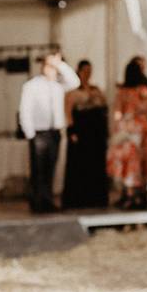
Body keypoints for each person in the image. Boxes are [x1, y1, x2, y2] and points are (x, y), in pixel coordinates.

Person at [19, 52, 79, 213]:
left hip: (55, 132)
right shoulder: (32, 85)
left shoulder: (58, 85)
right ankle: (37, 201)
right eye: (49, 67)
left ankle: (47, 201)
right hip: (38, 132)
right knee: (38, 169)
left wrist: (60, 64)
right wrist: (30, 133)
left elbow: (75, 81)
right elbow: (25, 109)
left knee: (50, 168)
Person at [106, 57, 147, 209]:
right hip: (143, 128)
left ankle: (128, 194)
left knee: (127, 161)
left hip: (126, 129)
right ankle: (141, 195)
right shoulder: (145, 92)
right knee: (143, 160)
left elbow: (117, 114)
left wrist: (117, 130)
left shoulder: (122, 92)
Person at [62, 59, 109, 209]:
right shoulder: (72, 93)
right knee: (79, 165)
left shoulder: (97, 90)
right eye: (85, 71)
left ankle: (95, 198)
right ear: (79, 72)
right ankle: (77, 199)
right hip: (80, 133)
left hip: (95, 134)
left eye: (90, 70)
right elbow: (68, 113)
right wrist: (72, 131)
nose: (88, 74)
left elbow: (104, 107)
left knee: (95, 165)